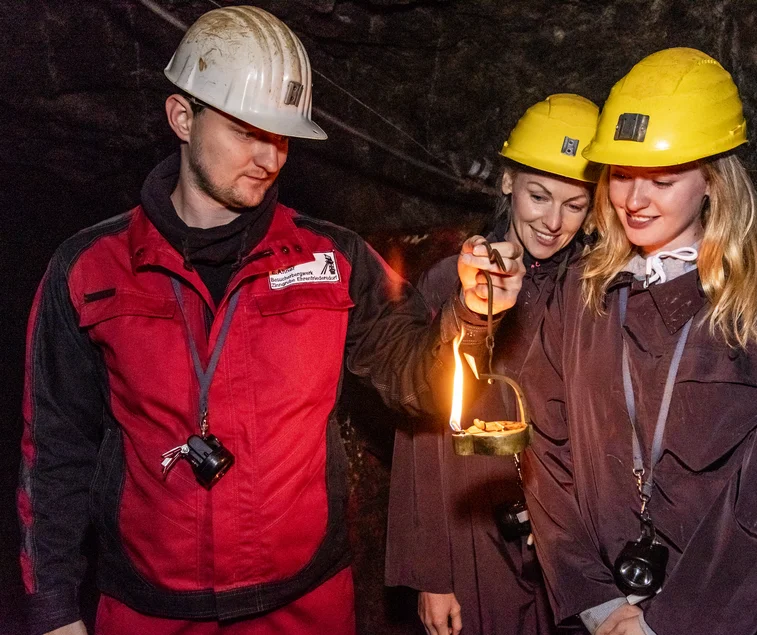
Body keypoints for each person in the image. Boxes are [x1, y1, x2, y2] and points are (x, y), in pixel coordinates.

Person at [16, 6, 525, 635]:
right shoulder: (88, 270)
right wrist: (53, 611)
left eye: (281, 135)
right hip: (149, 609)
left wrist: (473, 315)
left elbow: (419, 380)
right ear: (182, 117)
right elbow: (54, 454)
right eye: (246, 130)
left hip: (304, 606)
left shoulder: (334, 260)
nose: (269, 156)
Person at [521, 48, 757, 635]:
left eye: (662, 181)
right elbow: (546, 448)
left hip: (738, 618)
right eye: (619, 175)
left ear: (712, 182)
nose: (634, 202)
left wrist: (671, 623)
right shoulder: (582, 295)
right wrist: (597, 602)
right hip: (604, 612)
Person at [385, 94, 600, 635]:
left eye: (575, 205)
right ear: (507, 183)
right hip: (474, 528)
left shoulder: (593, 293)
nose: (553, 222)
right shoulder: (451, 281)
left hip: (568, 537)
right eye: (538, 195)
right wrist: (433, 573)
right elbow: (422, 432)